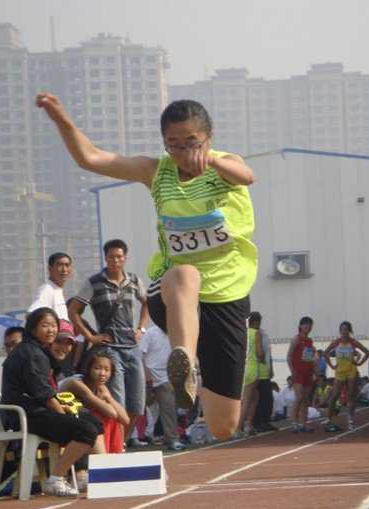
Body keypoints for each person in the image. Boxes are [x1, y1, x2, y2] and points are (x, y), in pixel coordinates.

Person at [37, 94, 256, 440]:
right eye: (173, 144)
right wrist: (62, 118)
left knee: (224, 426)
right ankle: (183, 358)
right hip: (172, 290)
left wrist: (212, 163)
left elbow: (247, 176)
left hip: (227, 294)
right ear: (164, 144)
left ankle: (193, 371)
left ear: (208, 139)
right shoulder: (157, 171)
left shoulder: (225, 164)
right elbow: (91, 157)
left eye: (191, 143)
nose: (183, 153)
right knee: (187, 273)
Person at [0, 308, 106, 497]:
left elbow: (44, 393)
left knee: (92, 422)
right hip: (25, 416)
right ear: (32, 328)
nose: (51, 330)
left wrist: (65, 410)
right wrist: (62, 412)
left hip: (34, 411)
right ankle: (56, 478)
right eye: (45, 325)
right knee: (85, 429)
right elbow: (43, 394)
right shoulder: (31, 353)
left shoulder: (37, 351)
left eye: (54, 325)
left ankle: (91, 474)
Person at [67, 239, 148, 444]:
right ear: (106, 258)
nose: (116, 260)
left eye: (119, 256)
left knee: (137, 403)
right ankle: (116, 446)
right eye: (111, 257)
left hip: (132, 346)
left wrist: (141, 328)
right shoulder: (94, 282)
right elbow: (73, 310)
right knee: (117, 401)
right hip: (110, 349)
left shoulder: (135, 280)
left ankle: (122, 442)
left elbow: (147, 303)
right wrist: (90, 337)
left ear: (125, 258)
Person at [60, 352, 129, 456]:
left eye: (107, 370)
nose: (102, 373)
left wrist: (108, 397)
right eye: (97, 368)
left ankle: (114, 456)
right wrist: (107, 399)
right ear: (88, 369)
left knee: (115, 420)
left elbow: (125, 419)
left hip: (83, 425)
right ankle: (104, 457)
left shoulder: (101, 387)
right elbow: (112, 413)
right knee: (104, 416)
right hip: (65, 422)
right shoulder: (76, 384)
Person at [140, 325, 185, 451]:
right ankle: (131, 438)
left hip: (166, 378)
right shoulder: (151, 333)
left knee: (169, 408)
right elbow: (141, 353)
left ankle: (172, 438)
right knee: (141, 409)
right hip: (149, 376)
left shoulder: (177, 332)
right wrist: (147, 374)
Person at [324, 321, 369, 432]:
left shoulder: (353, 342)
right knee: (334, 396)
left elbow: (367, 352)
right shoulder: (336, 342)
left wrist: (359, 363)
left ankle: (350, 419)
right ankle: (329, 419)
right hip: (340, 372)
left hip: (351, 371)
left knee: (350, 396)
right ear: (340, 331)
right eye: (342, 329)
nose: (344, 331)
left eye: (346, 329)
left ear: (349, 331)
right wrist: (331, 365)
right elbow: (325, 353)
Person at [287, 316, 317, 433]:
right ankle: (294, 423)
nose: (308, 327)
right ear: (300, 326)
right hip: (298, 373)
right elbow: (289, 356)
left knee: (305, 399)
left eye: (310, 325)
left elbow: (309, 358)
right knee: (299, 397)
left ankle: (303, 424)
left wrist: (315, 371)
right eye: (305, 324)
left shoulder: (310, 341)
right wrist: (292, 371)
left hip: (308, 372)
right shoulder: (296, 339)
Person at [237, 312, 262, 436]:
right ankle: (238, 428)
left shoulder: (242, 333)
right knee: (246, 400)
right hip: (252, 367)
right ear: (256, 322)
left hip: (242, 367)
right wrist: (262, 357)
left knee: (254, 397)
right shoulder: (256, 333)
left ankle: (249, 424)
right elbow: (259, 352)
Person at [28, 252, 72, 321]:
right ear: (49, 268)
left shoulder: (57, 290)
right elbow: (31, 314)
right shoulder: (47, 289)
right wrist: (51, 328)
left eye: (67, 265)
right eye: (60, 265)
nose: (64, 269)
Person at [253, 315, 277, 432]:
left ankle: (265, 421)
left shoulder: (263, 334)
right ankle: (256, 423)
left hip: (264, 370)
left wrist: (271, 367)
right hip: (254, 370)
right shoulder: (250, 333)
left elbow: (268, 352)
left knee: (267, 398)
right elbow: (260, 353)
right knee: (255, 399)